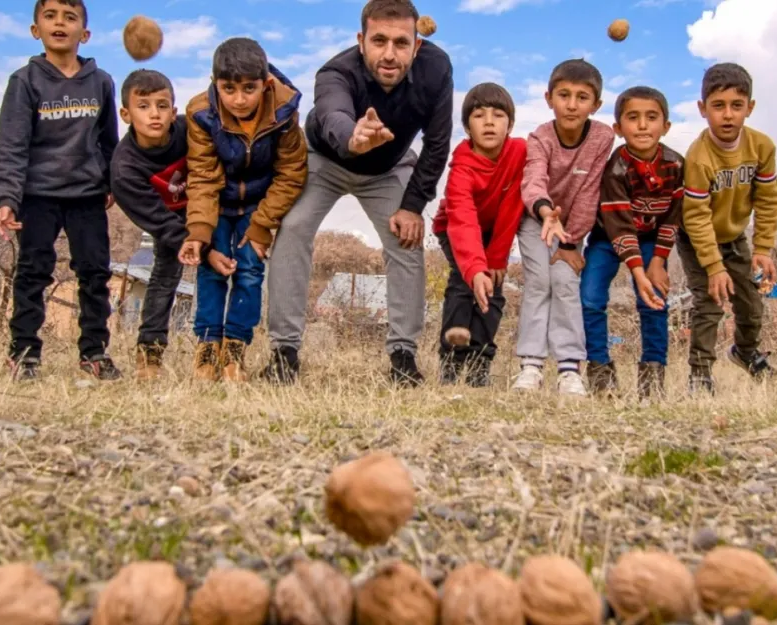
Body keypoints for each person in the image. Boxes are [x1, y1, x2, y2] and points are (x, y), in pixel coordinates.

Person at [262, 0, 454, 387]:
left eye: (401, 43)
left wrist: (413, 207)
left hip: (389, 168)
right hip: (325, 158)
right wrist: (353, 137)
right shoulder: (335, 71)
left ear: (417, 46)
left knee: (406, 239)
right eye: (378, 40)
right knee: (293, 226)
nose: (389, 54)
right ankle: (284, 352)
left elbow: (437, 144)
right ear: (360, 40)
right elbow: (333, 112)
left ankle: (403, 355)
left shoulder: (436, 69)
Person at [0, 0, 120, 382]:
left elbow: (109, 140)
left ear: (85, 33)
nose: (59, 23)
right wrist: (6, 199)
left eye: (70, 17)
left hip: (86, 197)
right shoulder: (25, 82)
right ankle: (24, 353)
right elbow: (11, 144)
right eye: (50, 16)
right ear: (36, 31)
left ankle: (94, 352)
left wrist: (110, 182)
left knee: (95, 274)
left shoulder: (101, 82)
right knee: (33, 273)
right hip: (38, 195)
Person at [178, 37, 308, 383]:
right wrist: (200, 232)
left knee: (249, 272)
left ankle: (235, 349)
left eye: (249, 88)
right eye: (228, 89)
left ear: (265, 85)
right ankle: (207, 348)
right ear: (214, 83)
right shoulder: (200, 113)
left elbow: (292, 172)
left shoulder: (284, 112)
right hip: (217, 202)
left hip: (259, 203)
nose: (238, 99)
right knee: (211, 271)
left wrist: (263, 225)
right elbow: (203, 175)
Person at [679, 62, 777, 394]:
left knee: (751, 304)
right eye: (718, 106)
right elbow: (695, 216)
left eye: (736, 106)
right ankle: (700, 373)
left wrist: (763, 248)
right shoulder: (698, 157)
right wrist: (713, 267)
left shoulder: (761, 147)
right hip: (698, 241)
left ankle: (746, 353)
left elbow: (768, 198)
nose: (727, 115)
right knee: (709, 304)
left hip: (735, 237)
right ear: (702, 109)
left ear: (749, 108)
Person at [514, 59, 614, 395]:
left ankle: (570, 368)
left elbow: (589, 192)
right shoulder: (540, 137)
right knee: (540, 283)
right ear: (549, 98)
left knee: (566, 283)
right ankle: (531, 365)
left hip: (573, 228)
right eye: (564, 95)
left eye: (582, 97)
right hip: (535, 219)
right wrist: (545, 212)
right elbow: (532, 180)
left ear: (596, 104)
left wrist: (571, 242)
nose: (572, 104)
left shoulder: (602, 137)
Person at [580, 86, 684, 400]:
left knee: (654, 301)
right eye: (633, 118)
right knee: (590, 298)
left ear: (665, 126)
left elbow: (673, 217)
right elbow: (620, 225)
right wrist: (637, 273)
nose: (642, 125)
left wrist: (656, 263)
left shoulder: (676, 166)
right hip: (608, 237)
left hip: (653, 240)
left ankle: (652, 376)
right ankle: (601, 373)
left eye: (651, 118)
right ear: (618, 128)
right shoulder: (615, 169)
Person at [432, 82, 526, 387]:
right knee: (464, 279)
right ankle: (451, 355)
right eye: (479, 115)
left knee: (494, 290)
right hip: (456, 229)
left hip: (495, 232)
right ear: (467, 127)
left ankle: (479, 363)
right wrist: (475, 268)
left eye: (498, 115)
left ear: (510, 124)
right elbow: (462, 220)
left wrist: (497, 258)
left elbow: (513, 207)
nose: (488, 121)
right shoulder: (461, 168)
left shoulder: (519, 153)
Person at [109, 69, 189, 381]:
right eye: (143, 106)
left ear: (174, 111)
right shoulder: (124, 168)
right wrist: (193, 245)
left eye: (162, 105)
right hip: (165, 219)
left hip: (205, 208)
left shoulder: (189, 132)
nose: (154, 114)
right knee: (165, 274)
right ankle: (149, 355)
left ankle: (216, 350)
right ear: (126, 114)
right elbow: (159, 223)